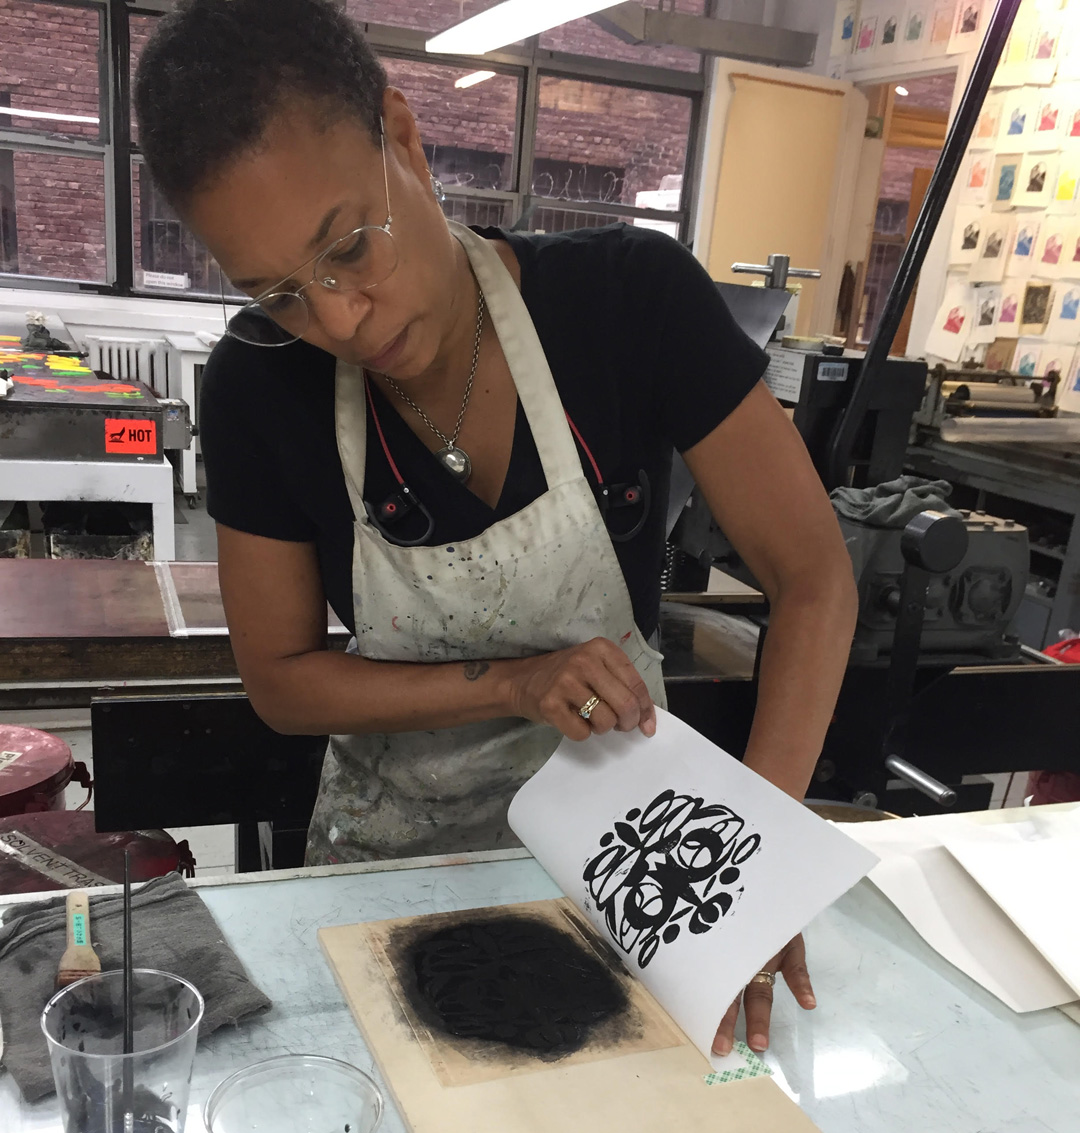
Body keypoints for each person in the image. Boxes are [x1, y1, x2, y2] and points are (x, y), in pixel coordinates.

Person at [135, 0, 858, 1056]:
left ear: (405, 139)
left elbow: (813, 578)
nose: (339, 318)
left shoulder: (627, 302)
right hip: (391, 877)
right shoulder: (260, 382)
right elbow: (284, 681)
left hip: (634, 865)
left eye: (348, 246)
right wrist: (513, 680)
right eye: (282, 291)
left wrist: (751, 866)